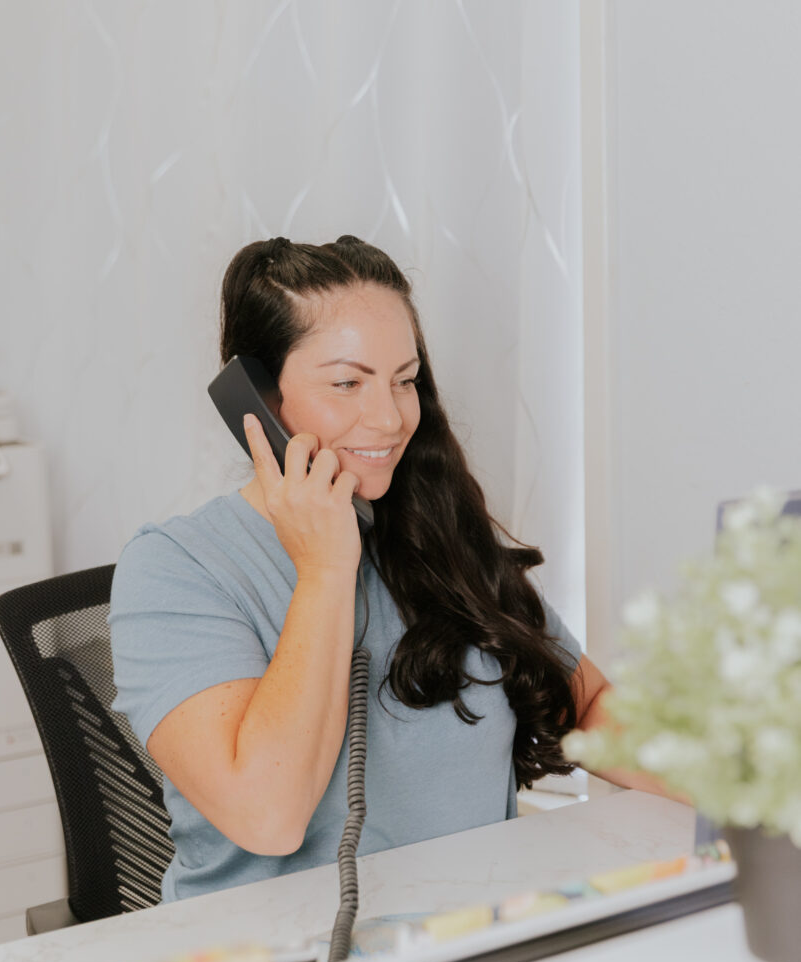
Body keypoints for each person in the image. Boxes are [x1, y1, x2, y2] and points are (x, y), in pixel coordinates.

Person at [108, 235, 675, 906]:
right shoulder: (175, 569)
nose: (389, 417)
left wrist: (754, 789)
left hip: (467, 933)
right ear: (256, 403)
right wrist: (324, 569)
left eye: (403, 380)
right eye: (347, 382)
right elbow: (267, 816)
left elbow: (585, 707)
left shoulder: (432, 532)